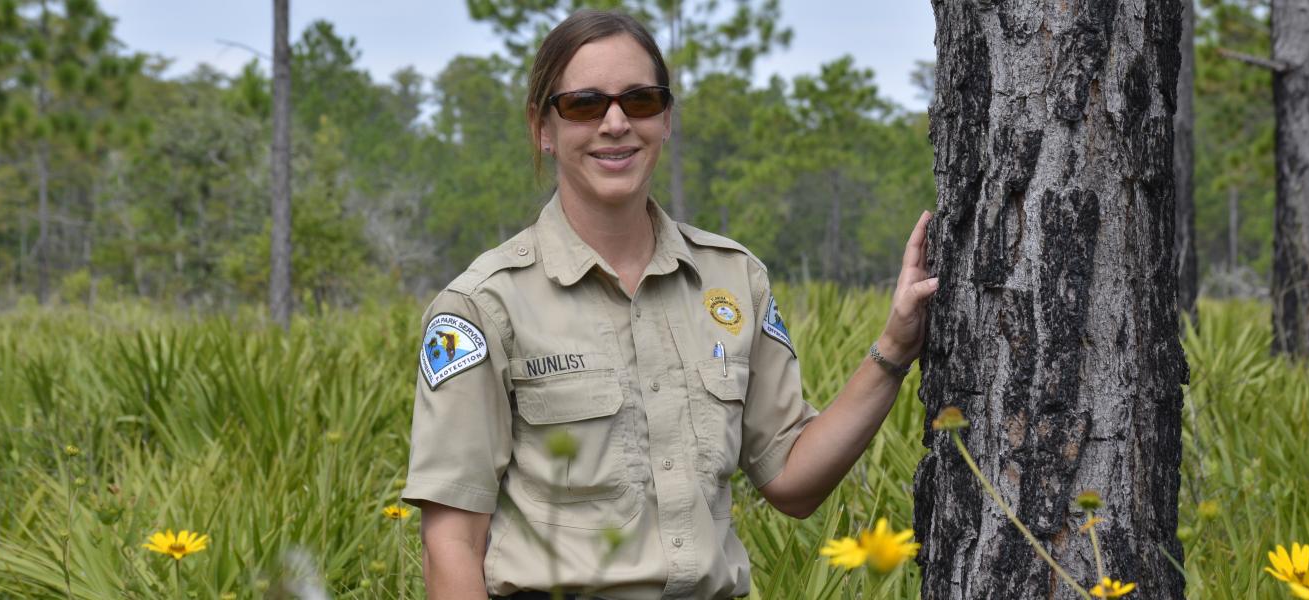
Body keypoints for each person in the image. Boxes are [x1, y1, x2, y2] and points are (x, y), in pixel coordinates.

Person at [400, 9, 939, 600]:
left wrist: (894, 348)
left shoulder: (733, 281)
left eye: (640, 101)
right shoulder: (483, 306)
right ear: (542, 128)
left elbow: (791, 479)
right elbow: (451, 544)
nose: (615, 123)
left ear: (666, 119)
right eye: (584, 104)